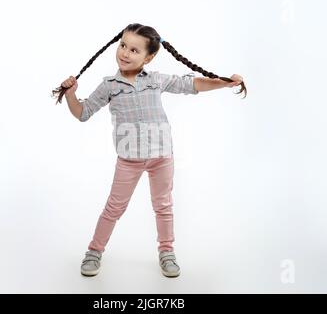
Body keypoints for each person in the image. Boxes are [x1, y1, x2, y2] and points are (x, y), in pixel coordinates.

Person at [53, 23, 246, 278]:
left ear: (149, 57)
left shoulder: (156, 80)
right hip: (128, 159)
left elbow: (193, 84)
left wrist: (224, 83)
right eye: (123, 45)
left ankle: (167, 252)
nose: (125, 53)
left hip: (161, 157)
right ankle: (94, 251)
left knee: (163, 206)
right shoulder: (109, 85)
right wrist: (71, 95)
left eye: (134, 50)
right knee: (114, 208)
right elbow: (83, 113)